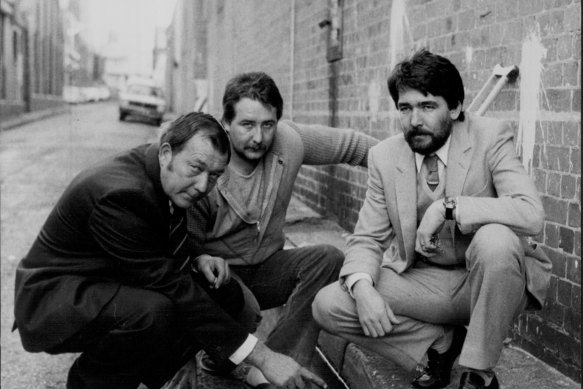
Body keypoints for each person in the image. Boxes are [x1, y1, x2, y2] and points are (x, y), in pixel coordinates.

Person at [13, 112, 326, 389]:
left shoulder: (157, 173)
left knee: (223, 291)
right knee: (151, 312)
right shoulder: (120, 195)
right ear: (166, 153)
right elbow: (169, 284)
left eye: (215, 175)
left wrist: (196, 255)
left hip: (104, 281)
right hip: (54, 300)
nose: (203, 185)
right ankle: (91, 381)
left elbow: (151, 239)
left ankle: (160, 374)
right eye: (196, 168)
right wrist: (265, 357)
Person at [312, 49, 552, 389]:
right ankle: (438, 345)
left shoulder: (491, 136)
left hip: (489, 281)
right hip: (425, 282)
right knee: (329, 304)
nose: (414, 120)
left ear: (454, 108)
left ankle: (478, 372)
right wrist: (363, 288)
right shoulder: (384, 157)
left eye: (427, 106)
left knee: (495, 240)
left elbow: (530, 212)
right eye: (405, 108)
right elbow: (367, 238)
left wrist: (447, 207)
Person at [187, 72, 379, 388]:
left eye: (268, 124)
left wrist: (410, 162)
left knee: (328, 258)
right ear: (226, 122)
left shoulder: (288, 141)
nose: (259, 137)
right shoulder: (207, 165)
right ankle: (219, 353)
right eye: (247, 125)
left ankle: (276, 364)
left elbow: (352, 146)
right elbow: (188, 250)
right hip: (217, 282)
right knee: (230, 299)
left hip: (265, 270)